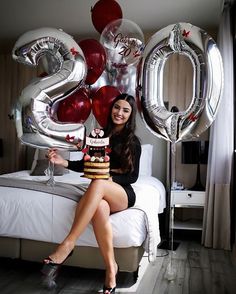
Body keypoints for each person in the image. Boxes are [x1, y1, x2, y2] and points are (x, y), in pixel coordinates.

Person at [41, 93, 141, 294]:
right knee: (100, 206)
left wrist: (110, 179)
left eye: (125, 110)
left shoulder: (133, 141)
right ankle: (111, 269)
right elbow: (88, 164)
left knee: (99, 181)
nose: (119, 113)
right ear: (111, 109)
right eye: (116, 107)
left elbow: (133, 177)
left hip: (122, 193)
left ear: (130, 115)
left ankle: (68, 244)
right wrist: (64, 162)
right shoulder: (99, 136)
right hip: (103, 191)